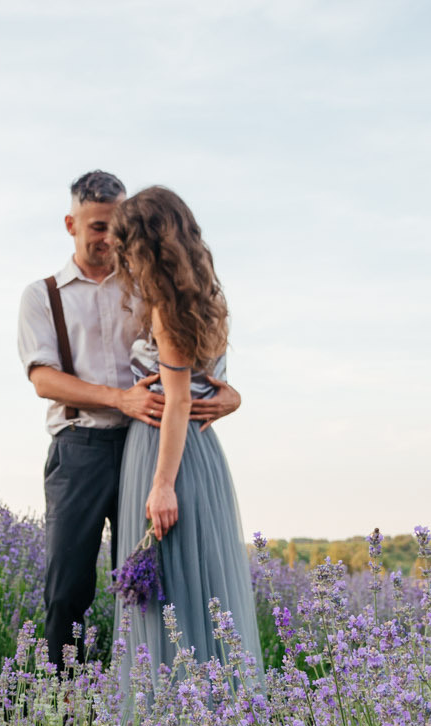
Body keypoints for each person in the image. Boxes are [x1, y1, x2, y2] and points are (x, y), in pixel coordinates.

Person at [18, 171, 240, 668]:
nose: (108, 239)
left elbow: (187, 363)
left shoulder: (149, 283)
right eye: (97, 227)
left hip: (150, 446)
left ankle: (143, 692)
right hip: (82, 446)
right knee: (67, 587)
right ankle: (63, 702)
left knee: (150, 583)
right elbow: (43, 381)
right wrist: (121, 400)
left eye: (115, 227)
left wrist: (230, 395)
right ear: (71, 223)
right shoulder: (43, 295)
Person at [110, 185, 261, 679]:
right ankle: (213, 713)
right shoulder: (207, 298)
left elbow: (177, 400)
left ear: (145, 249)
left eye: (126, 248)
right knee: (202, 581)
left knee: (168, 584)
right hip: (201, 450)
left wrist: (161, 484)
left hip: (165, 451)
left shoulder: (165, 309)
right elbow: (210, 385)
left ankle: (170, 715)